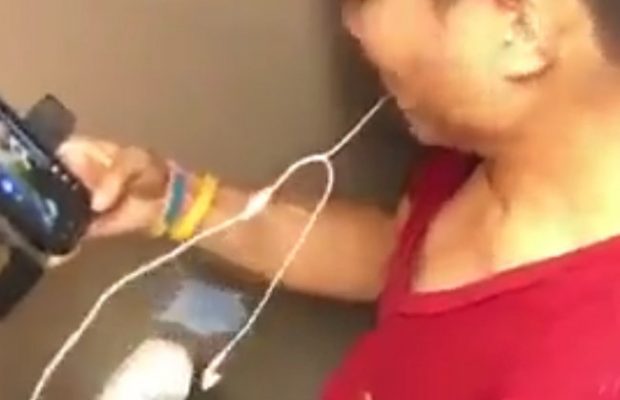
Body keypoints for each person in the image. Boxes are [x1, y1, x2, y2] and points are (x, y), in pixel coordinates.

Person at [58, 0, 620, 398]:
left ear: (520, 30)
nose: (351, 25)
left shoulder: (584, 370)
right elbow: (400, 255)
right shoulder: (502, 154)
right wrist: (174, 203)